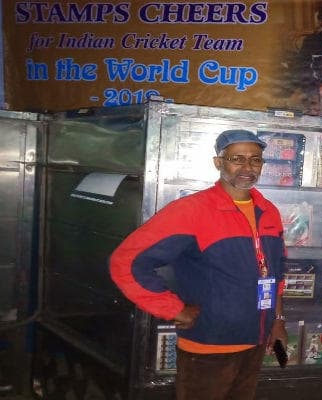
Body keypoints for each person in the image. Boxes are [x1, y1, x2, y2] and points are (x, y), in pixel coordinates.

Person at [109, 129, 288, 400]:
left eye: (255, 160)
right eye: (237, 159)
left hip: (255, 342)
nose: (247, 167)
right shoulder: (192, 210)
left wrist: (277, 320)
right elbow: (127, 262)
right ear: (219, 162)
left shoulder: (268, 211)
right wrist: (173, 309)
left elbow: (276, 273)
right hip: (209, 348)